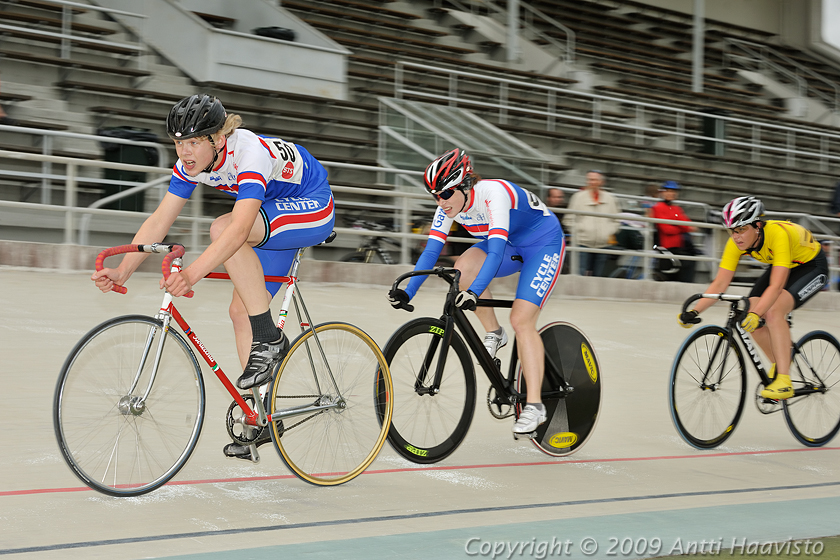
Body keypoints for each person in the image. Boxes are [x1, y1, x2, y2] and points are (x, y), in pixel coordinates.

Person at [91, 94, 335, 459]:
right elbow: (160, 219)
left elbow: (237, 231)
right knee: (241, 313)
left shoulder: (249, 153)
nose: (184, 151)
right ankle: (264, 416)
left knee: (223, 229)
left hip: (312, 206)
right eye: (177, 142)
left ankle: (270, 339)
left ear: (217, 140)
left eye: (192, 142)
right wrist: (123, 268)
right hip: (273, 216)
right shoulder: (189, 164)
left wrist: (191, 274)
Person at [387, 148, 564, 436]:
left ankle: (535, 406)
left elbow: (494, 254)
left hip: (541, 243)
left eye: (444, 194)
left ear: (465, 184)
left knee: (521, 320)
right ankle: (494, 332)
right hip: (509, 245)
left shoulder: (493, 194)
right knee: (462, 268)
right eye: (434, 195)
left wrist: (476, 292)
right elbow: (431, 252)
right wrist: (409, 292)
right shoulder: (447, 206)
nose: (440, 202)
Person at [678, 196, 828, 400]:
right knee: (747, 316)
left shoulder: (778, 235)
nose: (736, 236)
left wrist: (758, 313)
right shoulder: (736, 242)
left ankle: (784, 380)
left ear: (757, 225)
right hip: (784, 264)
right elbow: (720, 283)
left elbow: (776, 286)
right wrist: (695, 311)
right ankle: (780, 360)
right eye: (732, 230)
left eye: (741, 229)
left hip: (811, 266)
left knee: (773, 312)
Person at [566, 170, 619, 276]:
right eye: (589, 179)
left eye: (594, 180)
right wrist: (580, 229)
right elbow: (568, 219)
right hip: (583, 242)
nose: (591, 182)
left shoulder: (610, 199)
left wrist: (608, 231)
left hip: (603, 244)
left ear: (601, 182)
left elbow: (616, 220)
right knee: (579, 274)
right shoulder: (578, 197)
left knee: (598, 277)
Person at [650, 181, 697, 283]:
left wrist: (677, 224)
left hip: (679, 248)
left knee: (684, 275)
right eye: (667, 191)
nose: (670, 193)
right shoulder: (657, 207)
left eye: (673, 191)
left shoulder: (676, 208)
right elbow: (667, 229)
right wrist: (681, 227)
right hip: (666, 248)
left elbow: (689, 226)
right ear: (662, 192)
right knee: (666, 277)